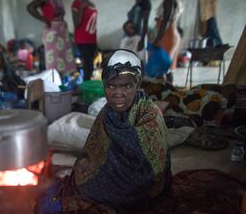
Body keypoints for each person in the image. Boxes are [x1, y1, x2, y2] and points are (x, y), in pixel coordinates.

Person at [35, 49, 172, 213]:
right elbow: (94, 151)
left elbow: (154, 167)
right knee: (46, 202)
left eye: (126, 86)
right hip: (109, 179)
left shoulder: (150, 115)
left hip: (145, 187)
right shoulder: (107, 113)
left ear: (137, 85)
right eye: (110, 86)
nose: (117, 94)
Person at [27, 0, 75, 76]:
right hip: (52, 33)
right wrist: (44, 20)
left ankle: (61, 84)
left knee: (63, 60)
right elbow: (30, 7)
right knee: (54, 61)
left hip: (62, 31)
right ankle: (54, 84)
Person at [147, 0, 183, 81]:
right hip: (170, 34)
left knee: (161, 67)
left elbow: (166, 20)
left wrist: (158, 38)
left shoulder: (169, 0)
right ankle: (168, 91)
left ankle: (162, 92)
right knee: (167, 67)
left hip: (167, 35)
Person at [71, 0, 98, 81]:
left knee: (90, 64)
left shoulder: (92, 4)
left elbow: (94, 24)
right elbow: (76, 23)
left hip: (92, 39)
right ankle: (86, 85)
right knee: (88, 64)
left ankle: (87, 82)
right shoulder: (76, 3)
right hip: (82, 39)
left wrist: (95, 40)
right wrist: (81, 8)